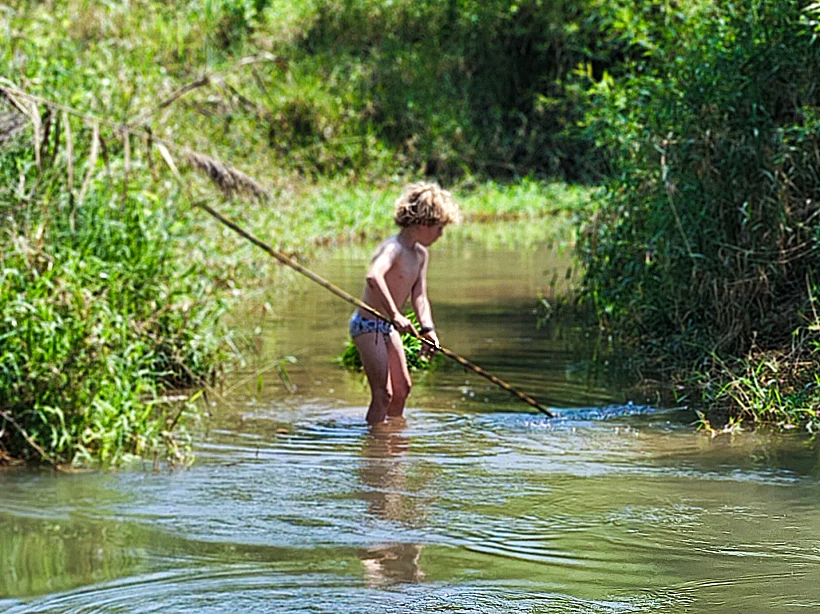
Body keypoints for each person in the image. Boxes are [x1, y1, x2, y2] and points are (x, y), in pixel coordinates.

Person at [350, 181, 460, 425]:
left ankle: (393, 437)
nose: (441, 234)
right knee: (383, 394)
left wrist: (428, 328)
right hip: (368, 326)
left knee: (402, 389)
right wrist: (395, 314)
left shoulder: (420, 255)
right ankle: (374, 443)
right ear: (423, 224)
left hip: (387, 328)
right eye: (439, 228)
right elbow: (373, 276)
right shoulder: (394, 248)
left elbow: (419, 295)